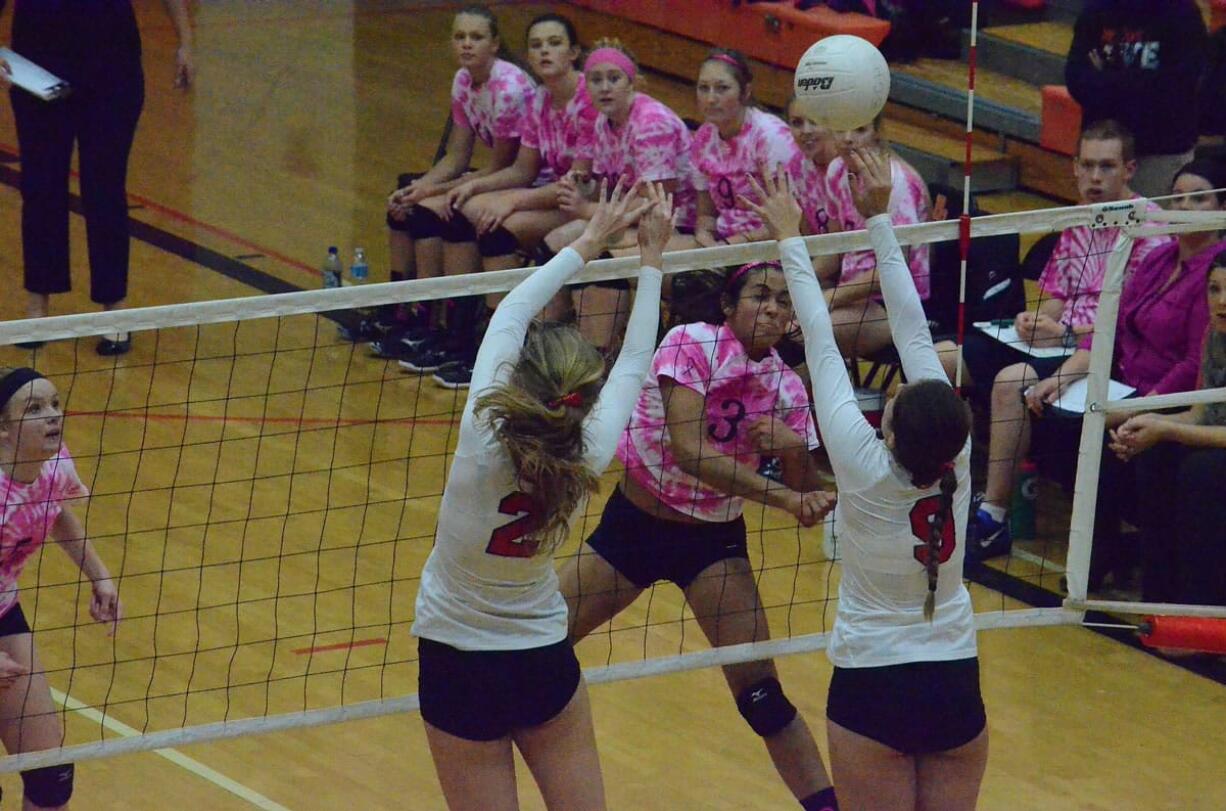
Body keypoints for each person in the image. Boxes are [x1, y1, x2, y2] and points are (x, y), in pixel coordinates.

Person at [411, 180, 669, 811]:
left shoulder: (481, 432)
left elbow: (511, 312)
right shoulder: (588, 452)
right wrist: (652, 262)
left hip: (455, 662)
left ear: (522, 382)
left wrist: (588, 240)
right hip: (539, 662)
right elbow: (636, 361)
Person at [745, 155, 984, 811]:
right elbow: (911, 331)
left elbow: (820, 343)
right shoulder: (956, 459)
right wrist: (880, 217)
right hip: (954, 684)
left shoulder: (862, 464)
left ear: (893, 432)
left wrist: (791, 236)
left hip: (873, 687)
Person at [557, 256, 839, 807]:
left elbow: (804, 491)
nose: (774, 307)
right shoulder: (692, 342)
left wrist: (789, 448)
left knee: (762, 697)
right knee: (535, 647)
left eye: (784, 300)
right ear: (729, 308)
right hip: (634, 528)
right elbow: (689, 451)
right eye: (761, 295)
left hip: (712, 542)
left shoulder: (788, 388)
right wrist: (785, 494)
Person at [938, 120, 1174, 561]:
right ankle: (932, 485)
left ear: (1130, 170)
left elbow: (1129, 325)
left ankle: (992, 518)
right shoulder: (1078, 218)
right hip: (1056, 339)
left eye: (1106, 167)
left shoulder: (1149, 231)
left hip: (1099, 352)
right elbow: (1057, 295)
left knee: (1011, 383)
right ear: (1074, 169)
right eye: (1087, 166)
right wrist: (1034, 318)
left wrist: (1065, 332)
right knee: (941, 358)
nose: (1095, 178)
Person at [1022, 159, 1226, 587]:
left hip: (1168, 395)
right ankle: (1104, 550)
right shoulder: (1157, 255)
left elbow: (1192, 366)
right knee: (1055, 420)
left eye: (1199, 197)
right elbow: (1111, 328)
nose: (1185, 206)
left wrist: (1137, 408)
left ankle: (1128, 563)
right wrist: (1067, 376)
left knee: (1107, 440)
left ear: (1220, 207)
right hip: (1122, 385)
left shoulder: (1216, 272)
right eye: (1179, 196)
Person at [400, 13, 598, 390]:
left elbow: (575, 186)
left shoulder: (587, 101)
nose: (544, 51)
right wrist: (471, 189)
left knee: (498, 230)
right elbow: (522, 170)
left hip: (581, 203)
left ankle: (497, 353)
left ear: (573, 52)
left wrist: (510, 203)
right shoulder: (542, 99)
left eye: (554, 43)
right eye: (537, 45)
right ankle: (456, 336)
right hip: (548, 193)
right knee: (460, 212)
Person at [0, 0, 194, 355]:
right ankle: (38, 307)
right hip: (40, 64)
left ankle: (113, 309)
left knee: (104, 188)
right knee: (41, 186)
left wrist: (185, 39)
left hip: (111, 68)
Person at [379, 6, 534, 371]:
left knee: (448, 211)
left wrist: (450, 189)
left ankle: (456, 331)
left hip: (521, 178)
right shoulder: (463, 81)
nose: (466, 45)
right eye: (460, 37)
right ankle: (413, 316)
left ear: (495, 44)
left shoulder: (508, 88)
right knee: (409, 203)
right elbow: (458, 154)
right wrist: (422, 187)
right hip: (494, 174)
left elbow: (506, 166)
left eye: (476, 37)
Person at [0, 366, 124, 809]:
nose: (52, 416)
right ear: (5, 432)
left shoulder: (55, 466)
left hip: (3, 613)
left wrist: (99, 573)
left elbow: (54, 510)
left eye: (54, 404)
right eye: (34, 409)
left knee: (50, 774)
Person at [539, 39, 696, 356]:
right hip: (630, 218)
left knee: (599, 258)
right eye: (596, 80)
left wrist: (586, 207)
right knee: (554, 245)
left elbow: (656, 202)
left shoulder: (652, 124)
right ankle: (549, 346)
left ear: (632, 82)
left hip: (677, 224)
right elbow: (609, 186)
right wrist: (579, 187)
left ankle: (593, 357)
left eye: (614, 78)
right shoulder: (603, 122)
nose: (604, 88)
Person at [1110, 248, 1226, 606]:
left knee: (1200, 472)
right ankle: (1160, 601)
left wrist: (1165, 429)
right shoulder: (1214, 334)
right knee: (1153, 454)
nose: (1222, 301)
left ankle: (1202, 612)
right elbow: (1200, 415)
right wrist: (1149, 422)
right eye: (1214, 289)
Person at [1065, 0, 1207, 199]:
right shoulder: (1096, 9)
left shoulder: (1182, 12)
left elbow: (1177, 86)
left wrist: (1106, 79)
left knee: (1154, 227)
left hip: (1160, 151)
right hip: (1103, 150)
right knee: (1096, 227)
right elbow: (1076, 79)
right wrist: (1135, 83)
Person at [821, 114, 932, 359]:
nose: (848, 139)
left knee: (807, 330)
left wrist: (827, 299)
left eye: (859, 129)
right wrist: (794, 285)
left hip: (897, 304)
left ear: (878, 132)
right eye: (840, 129)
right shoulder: (836, 170)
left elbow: (892, 269)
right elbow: (834, 249)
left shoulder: (896, 183)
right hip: (850, 293)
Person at [690, 50, 802, 247]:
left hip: (769, 245)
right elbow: (706, 215)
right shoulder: (703, 137)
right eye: (703, 88)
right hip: (722, 242)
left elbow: (794, 220)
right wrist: (705, 238)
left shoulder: (771, 137)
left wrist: (730, 246)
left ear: (746, 92)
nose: (710, 99)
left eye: (722, 88)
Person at [784, 96, 840, 238]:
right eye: (797, 123)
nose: (806, 130)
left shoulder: (847, 167)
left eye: (815, 122)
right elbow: (805, 235)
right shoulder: (796, 166)